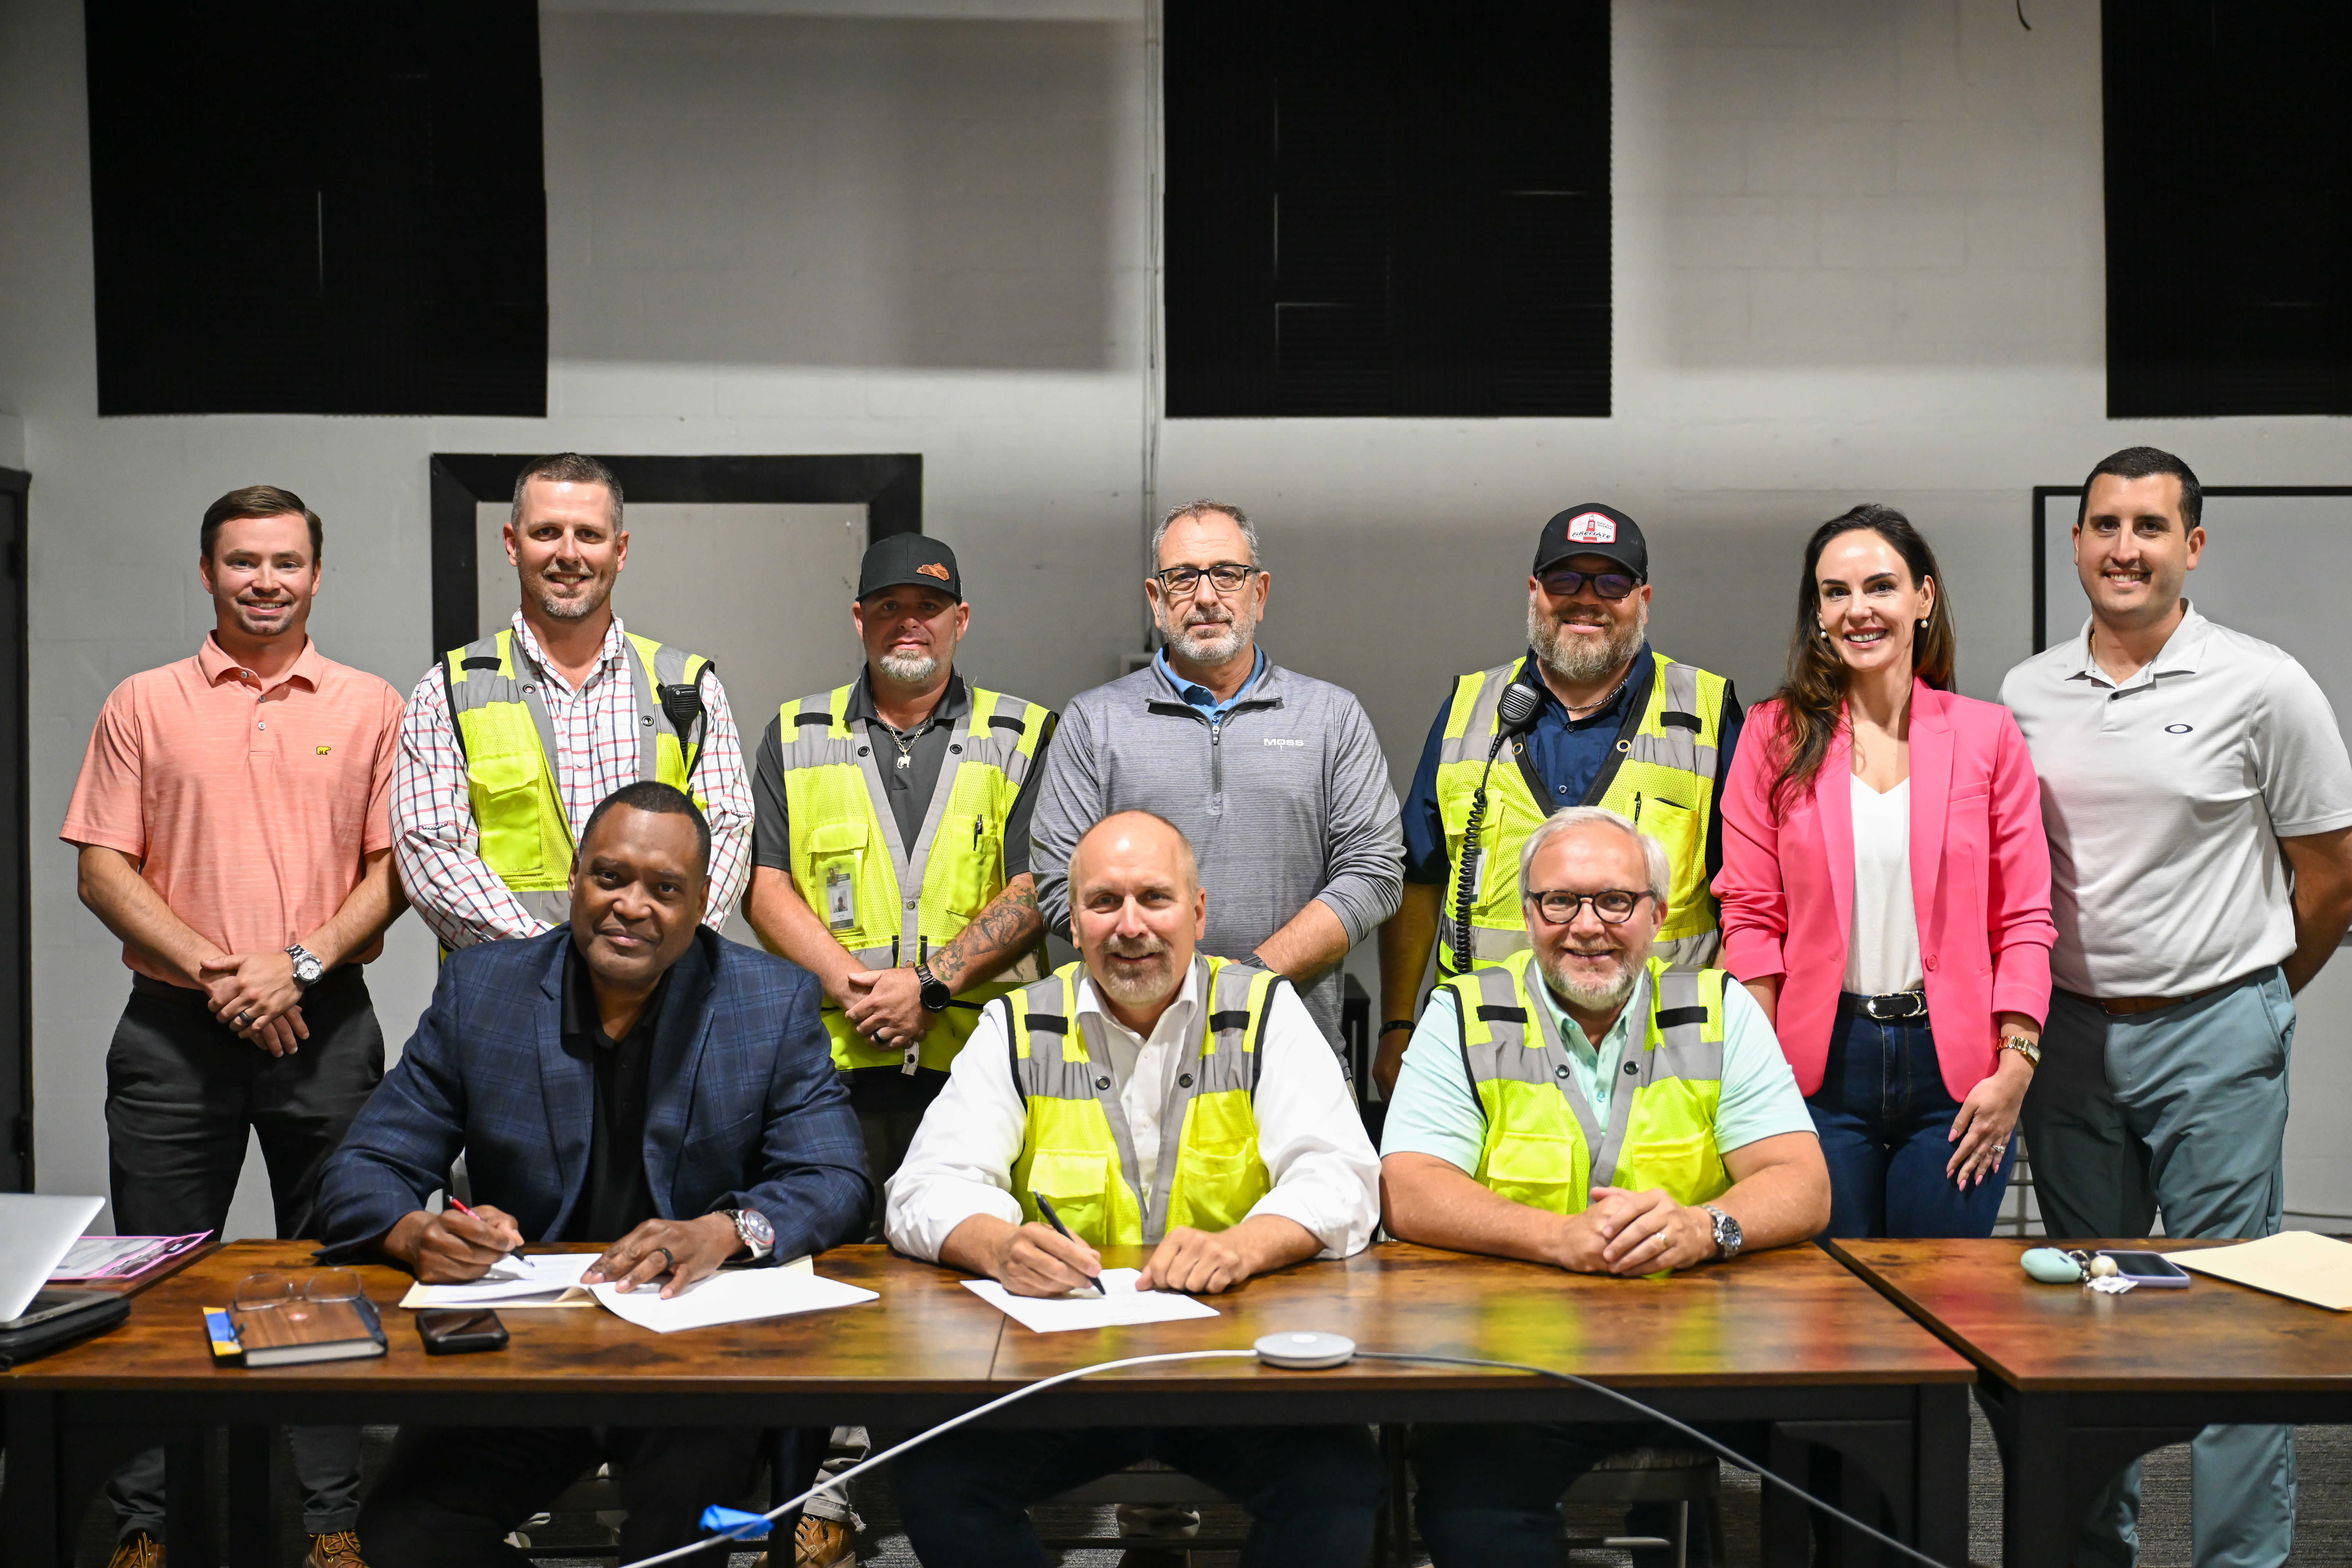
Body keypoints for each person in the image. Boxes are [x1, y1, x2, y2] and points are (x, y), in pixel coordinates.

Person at [315, 782, 869, 1567]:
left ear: (702, 903)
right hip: (529, 1352)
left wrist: (723, 1231)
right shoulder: (485, 992)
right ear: (576, 877)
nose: (631, 906)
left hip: (697, 1361)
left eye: (665, 889)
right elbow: (363, 1168)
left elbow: (836, 1178)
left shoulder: (768, 1001)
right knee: (400, 1541)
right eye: (611, 877)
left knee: (683, 1544)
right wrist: (415, 1231)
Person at [2000, 446, 2352, 1568]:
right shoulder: (2026, 692)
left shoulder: (2262, 683)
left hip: (2215, 1031)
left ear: (2190, 547)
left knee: (2231, 1322)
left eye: (2148, 528)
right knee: (2085, 1318)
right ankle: (2087, 1553)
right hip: (2068, 1038)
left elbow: (2331, 872)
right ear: (2075, 544)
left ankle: (2235, 1562)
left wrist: (2248, 999)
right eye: (2102, 525)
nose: (2122, 548)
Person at [884, 810, 1383, 1568]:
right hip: (1060, 1377)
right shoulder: (1017, 1024)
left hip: (1237, 1372)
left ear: (1197, 912)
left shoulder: (1264, 1010)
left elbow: (1344, 1177)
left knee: (1341, 1486)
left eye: (1154, 898)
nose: (1130, 926)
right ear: (1073, 920)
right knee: (936, 1482)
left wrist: (1245, 1245)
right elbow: (922, 1189)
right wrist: (999, 1244)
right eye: (1103, 902)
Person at [62, 485, 406, 1568]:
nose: (266, 581)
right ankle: (145, 1526)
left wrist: (293, 967)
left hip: (327, 1025)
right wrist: (223, 975)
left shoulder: (369, 705)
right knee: (156, 1280)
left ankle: (331, 1522)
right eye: (243, 562)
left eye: (287, 563)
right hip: (173, 1032)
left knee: (333, 1271)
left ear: (317, 574)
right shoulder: (143, 703)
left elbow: (394, 869)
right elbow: (101, 866)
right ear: (208, 572)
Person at [1380, 806, 1828, 1568]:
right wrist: (1554, 1238)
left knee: (1856, 1455)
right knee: (1473, 1506)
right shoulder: (1461, 1015)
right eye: (1560, 901)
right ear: (1527, 915)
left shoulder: (1723, 1011)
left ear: (1657, 913)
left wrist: (1703, 1228)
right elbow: (1408, 1187)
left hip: (1708, 1362)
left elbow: (1802, 1183)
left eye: (1615, 901)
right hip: (1524, 1371)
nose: (1586, 925)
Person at [742, 534, 1053, 1567]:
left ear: (961, 621)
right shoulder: (794, 733)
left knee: (961, 1290)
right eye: (887, 605)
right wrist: (856, 988)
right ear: (859, 620)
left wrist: (929, 987)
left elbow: (1036, 886)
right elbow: (766, 884)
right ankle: (824, 1499)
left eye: (928, 605)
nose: (906, 621)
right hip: (833, 1065)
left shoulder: (1025, 734)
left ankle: (954, 1498)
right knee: (831, 1285)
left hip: (977, 1068)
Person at [1714, 506, 2054, 1238]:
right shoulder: (1773, 736)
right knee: (1824, 1308)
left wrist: (2016, 1066)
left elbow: (2024, 917)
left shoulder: (1986, 735)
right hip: (1816, 1067)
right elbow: (1749, 914)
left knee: (1943, 1302)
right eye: (1834, 592)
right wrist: (1759, 1067)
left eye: (1879, 587)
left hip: (1957, 1072)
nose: (1857, 610)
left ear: (1922, 599)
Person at [1378, 504, 1743, 1098]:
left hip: (1657, 1060)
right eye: (1564, 580)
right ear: (1534, 591)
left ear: (1642, 598)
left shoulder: (1705, 712)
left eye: (1612, 582)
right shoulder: (1469, 709)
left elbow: (1747, 895)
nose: (1586, 599)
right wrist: (1396, 1026)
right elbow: (1418, 877)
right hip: (1487, 1050)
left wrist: (1726, 1039)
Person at [1029, 499, 1403, 1057]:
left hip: (1293, 1051)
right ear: (1156, 600)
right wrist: (1175, 991)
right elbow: (1059, 884)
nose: (1206, 597)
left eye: (1227, 574)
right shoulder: (1093, 722)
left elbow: (1374, 874)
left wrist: (1246, 983)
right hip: (1130, 1049)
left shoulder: (1331, 717)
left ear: (1260, 592)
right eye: (1182, 578)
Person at [393, 451, 753, 951]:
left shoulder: (689, 687)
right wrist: (556, 963)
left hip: (657, 1004)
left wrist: (655, 953)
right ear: (511, 544)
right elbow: (431, 853)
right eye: (546, 533)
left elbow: (728, 832)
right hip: (505, 1004)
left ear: (620, 550)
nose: (568, 554)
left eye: (589, 534)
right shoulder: (446, 693)